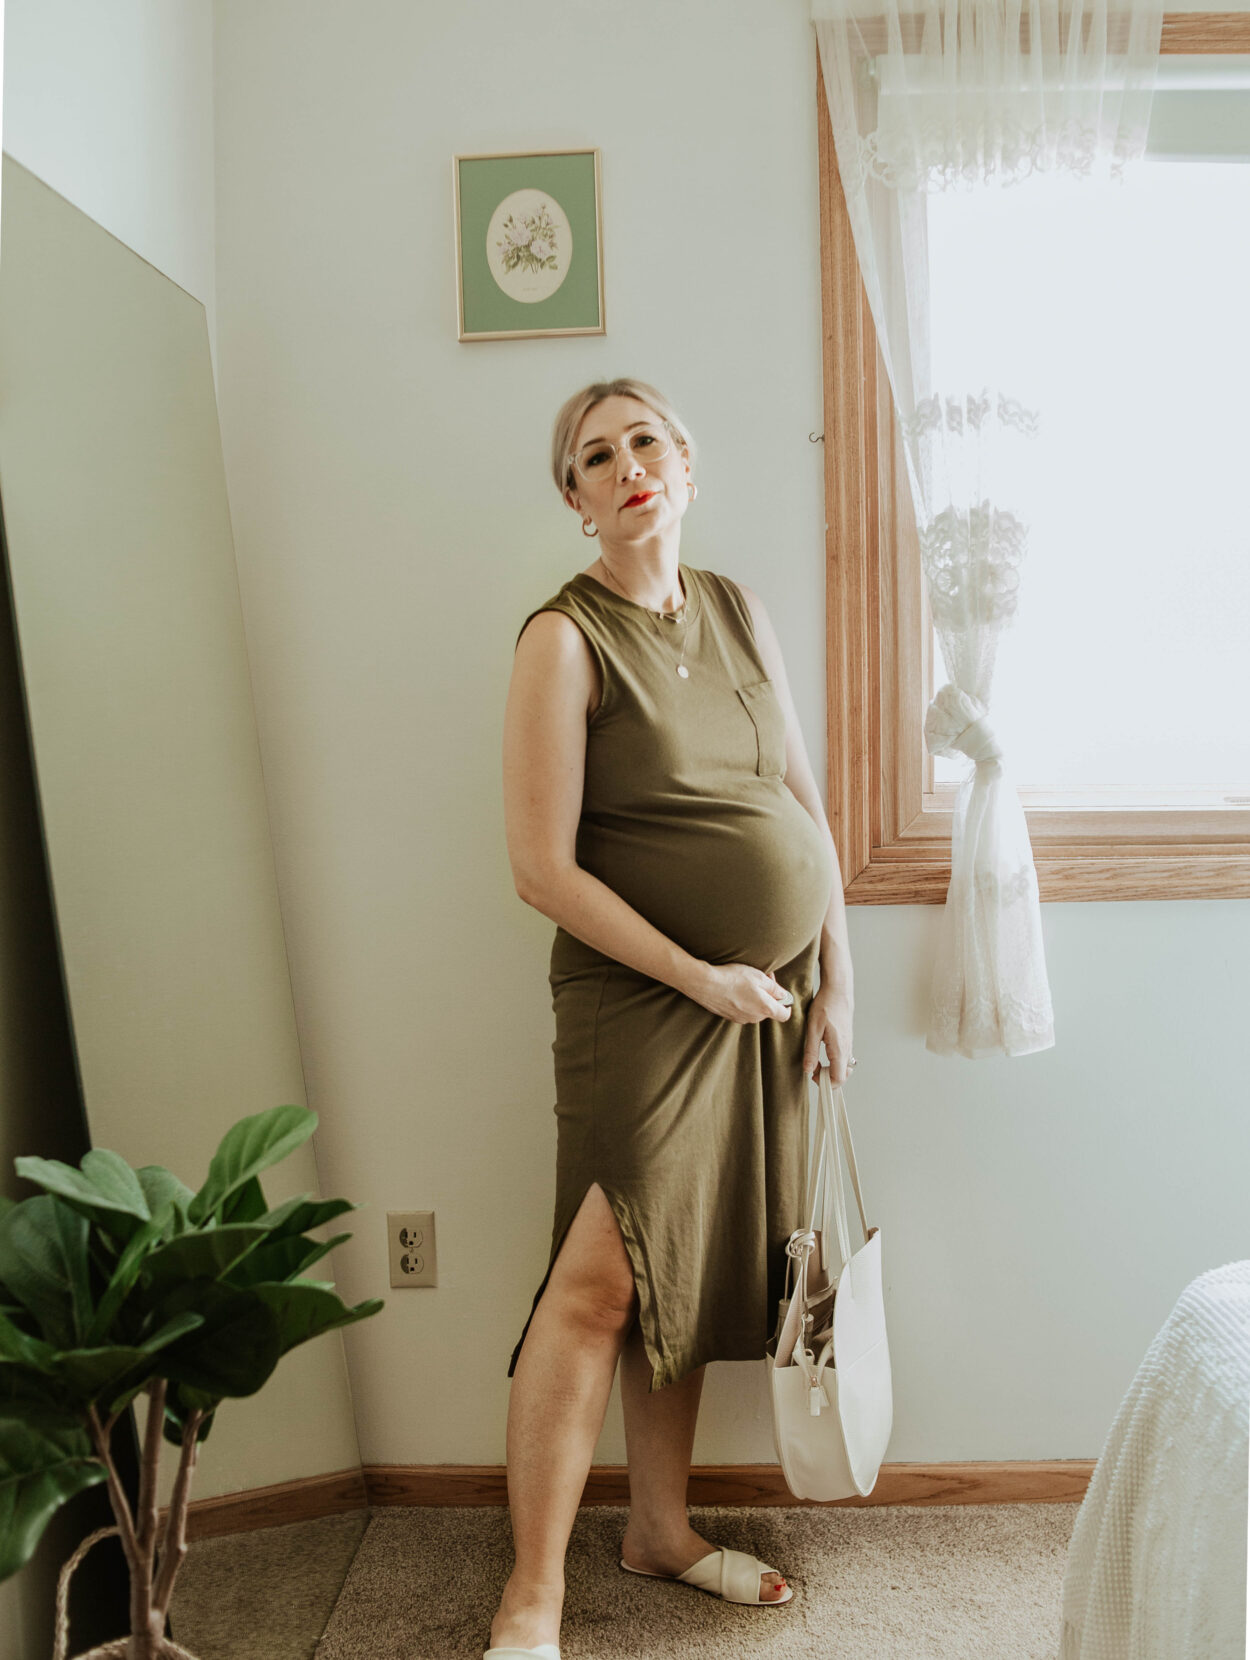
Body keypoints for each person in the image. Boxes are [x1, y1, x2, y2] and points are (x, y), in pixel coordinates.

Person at [490, 377, 855, 1660]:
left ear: (685, 465)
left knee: (682, 1274)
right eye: (597, 454)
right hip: (641, 1001)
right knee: (594, 1288)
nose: (627, 463)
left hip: (765, 1003)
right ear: (578, 502)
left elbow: (802, 809)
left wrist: (834, 981)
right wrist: (702, 976)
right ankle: (530, 1600)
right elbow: (541, 868)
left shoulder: (739, 607)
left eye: (646, 439)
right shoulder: (562, 638)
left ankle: (658, 1528)